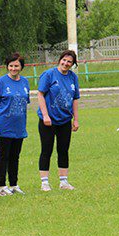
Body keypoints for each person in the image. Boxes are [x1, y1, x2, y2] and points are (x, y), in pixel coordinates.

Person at [0, 53, 30, 196]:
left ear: (21, 67)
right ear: (7, 66)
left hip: (19, 126)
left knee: (15, 156)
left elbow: (24, 103)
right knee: (3, 156)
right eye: (11, 65)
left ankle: (13, 184)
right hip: (3, 125)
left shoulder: (25, 82)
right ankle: (1, 186)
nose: (13, 68)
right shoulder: (0, 82)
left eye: (16, 65)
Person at [37, 50, 80, 191]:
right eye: (64, 60)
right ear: (60, 60)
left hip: (65, 120)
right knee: (46, 150)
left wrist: (76, 119)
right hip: (48, 120)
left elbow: (75, 99)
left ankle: (64, 182)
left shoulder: (73, 77)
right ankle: (44, 183)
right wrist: (45, 115)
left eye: (69, 62)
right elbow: (40, 94)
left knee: (63, 150)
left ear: (72, 64)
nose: (66, 63)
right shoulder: (49, 74)